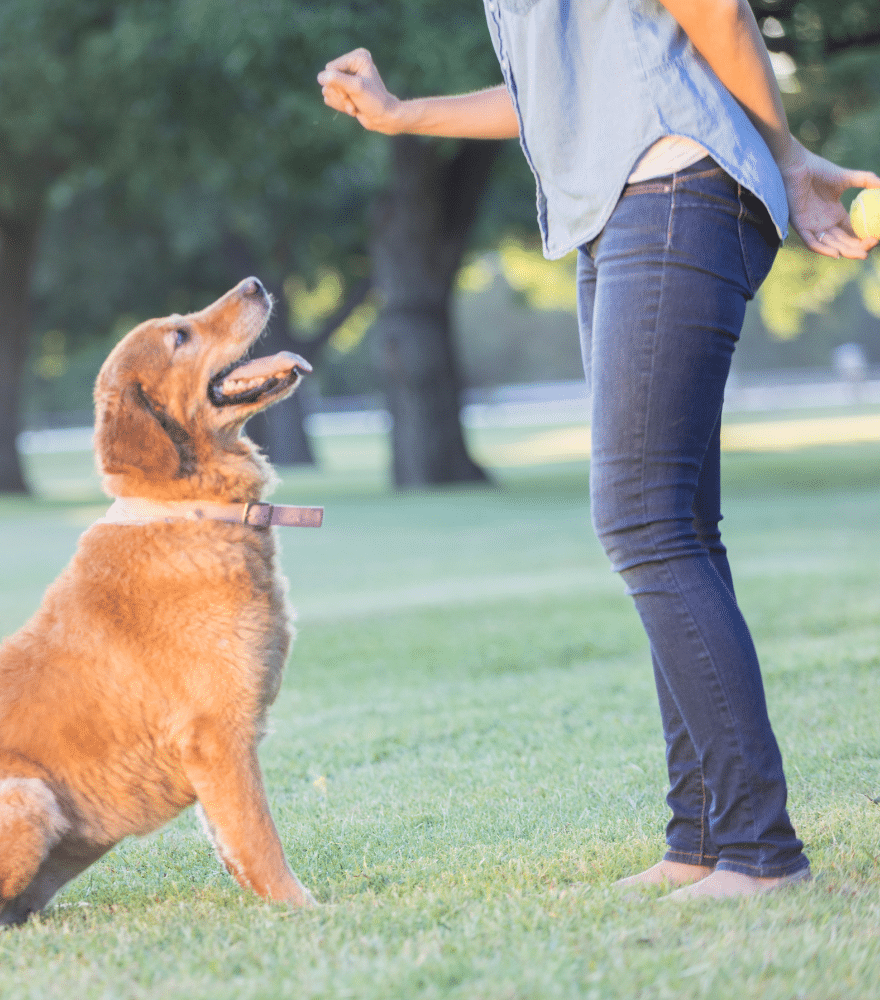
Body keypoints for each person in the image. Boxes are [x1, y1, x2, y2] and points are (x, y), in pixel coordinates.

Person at [318, 0, 880, 900]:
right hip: (624, 209)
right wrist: (403, 112)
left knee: (642, 521)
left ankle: (759, 851)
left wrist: (787, 150)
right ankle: (700, 837)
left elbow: (715, 9)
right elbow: (555, 90)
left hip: (677, 187)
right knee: (678, 526)